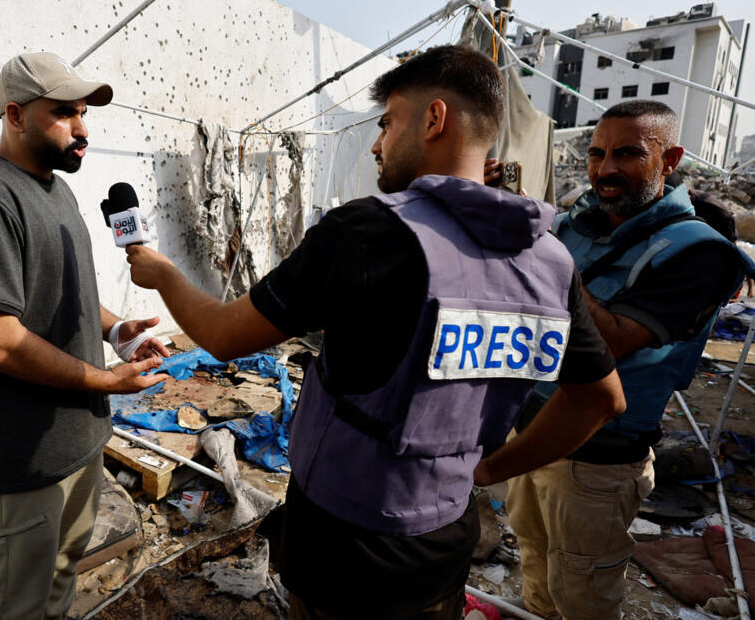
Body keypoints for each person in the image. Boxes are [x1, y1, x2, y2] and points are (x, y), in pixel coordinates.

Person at [123, 44, 626, 620]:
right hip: (445, 541)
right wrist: (488, 470)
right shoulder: (550, 261)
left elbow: (222, 335)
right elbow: (601, 399)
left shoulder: (367, 232)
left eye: (387, 123)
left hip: (343, 543)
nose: (376, 143)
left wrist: (163, 274)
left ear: (434, 119)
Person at [0, 52, 171, 620]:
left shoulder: (56, 190)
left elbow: (56, 289)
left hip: (78, 443)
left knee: (61, 578)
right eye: (64, 113)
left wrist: (114, 328)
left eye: (84, 113)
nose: (82, 128)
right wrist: (106, 380)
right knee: (9, 607)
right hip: (21, 460)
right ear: (15, 115)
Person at [505, 100, 754, 620]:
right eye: (597, 154)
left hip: (596, 464)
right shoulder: (581, 222)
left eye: (628, 153)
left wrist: (544, 258)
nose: (605, 168)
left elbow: (612, 341)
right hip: (527, 436)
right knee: (536, 569)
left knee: (583, 597)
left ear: (670, 160)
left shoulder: (700, 252)